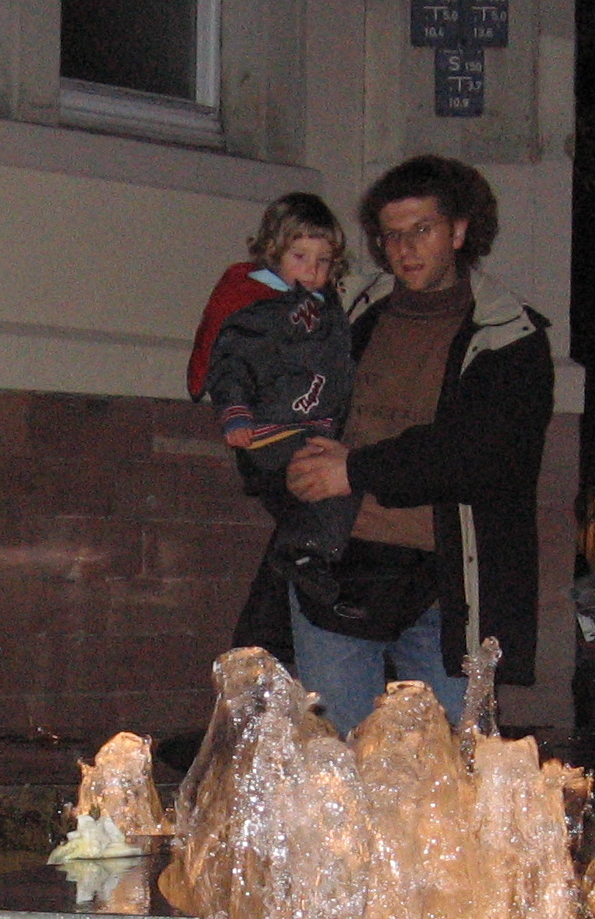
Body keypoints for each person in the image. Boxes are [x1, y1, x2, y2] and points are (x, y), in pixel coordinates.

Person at [234, 155, 554, 736]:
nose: (404, 249)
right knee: (338, 759)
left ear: (458, 231)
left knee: (445, 769)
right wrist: (282, 471)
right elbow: (272, 395)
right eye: (390, 235)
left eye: (421, 230)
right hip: (336, 574)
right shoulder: (346, 313)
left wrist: (355, 470)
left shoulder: (509, 335)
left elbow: (480, 454)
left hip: (445, 592)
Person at [188, 193, 359, 608]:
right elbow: (232, 362)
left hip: (309, 425)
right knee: (323, 489)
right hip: (270, 429)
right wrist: (235, 413)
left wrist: (337, 417)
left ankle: (308, 558)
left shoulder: (327, 310)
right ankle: (299, 552)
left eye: (323, 261)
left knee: (342, 485)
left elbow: (338, 367)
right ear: (274, 252)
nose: (312, 271)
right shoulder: (259, 309)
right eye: (300, 257)